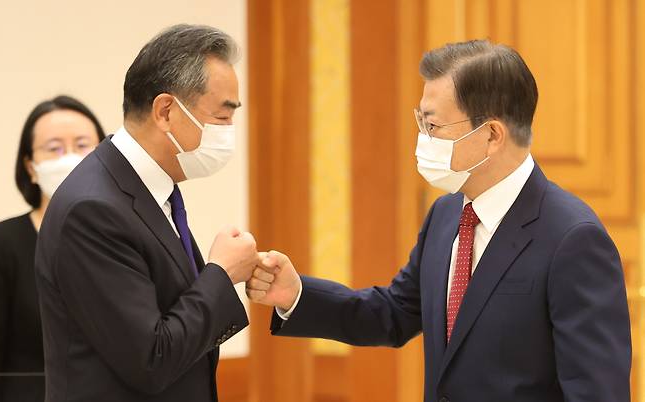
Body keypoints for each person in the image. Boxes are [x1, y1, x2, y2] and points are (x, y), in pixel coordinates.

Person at [246, 39, 632, 401]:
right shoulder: (447, 215)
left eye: (433, 126)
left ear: (492, 134)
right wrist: (296, 294)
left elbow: (597, 392)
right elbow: (394, 313)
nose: (423, 139)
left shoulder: (572, 238)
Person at [34, 24, 258, 402]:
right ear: (166, 110)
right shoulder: (93, 209)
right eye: (222, 117)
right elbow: (152, 359)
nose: (229, 131)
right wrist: (220, 274)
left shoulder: (149, 191)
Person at [0, 95, 105, 402]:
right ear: (31, 166)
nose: (69, 157)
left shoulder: (122, 239)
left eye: (82, 145)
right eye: (54, 148)